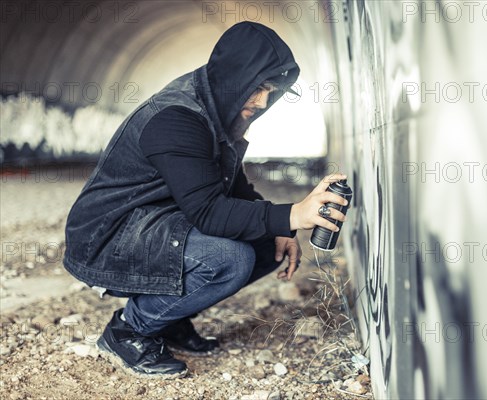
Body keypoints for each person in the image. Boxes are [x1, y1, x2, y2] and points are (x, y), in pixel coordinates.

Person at [63, 21, 349, 379]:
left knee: (264, 243)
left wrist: (279, 226)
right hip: (107, 238)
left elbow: (229, 184)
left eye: (271, 91)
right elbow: (210, 213)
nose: (262, 102)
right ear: (234, 75)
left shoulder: (216, 108)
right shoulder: (178, 118)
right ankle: (128, 330)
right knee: (229, 258)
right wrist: (291, 214)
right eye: (257, 88)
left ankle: (168, 320)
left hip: (151, 223)